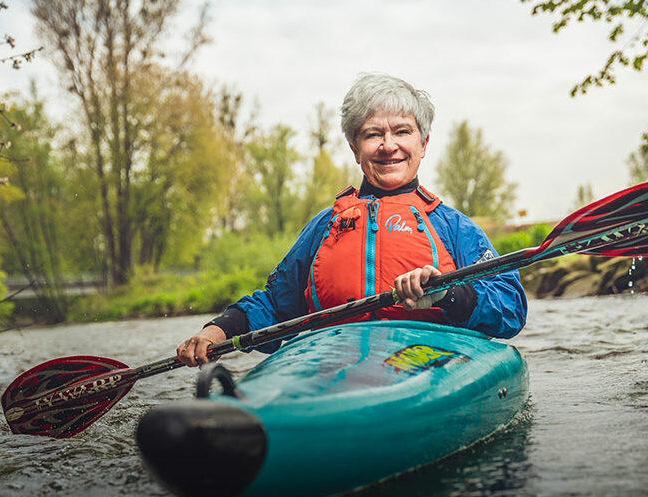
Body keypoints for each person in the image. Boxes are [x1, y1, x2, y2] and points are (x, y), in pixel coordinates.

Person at [177, 73, 527, 366]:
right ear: (354, 146)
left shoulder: (454, 227)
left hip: (430, 357)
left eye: (402, 132)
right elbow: (275, 303)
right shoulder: (324, 226)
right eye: (373, 134)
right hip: (333, 362)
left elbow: (509, 307)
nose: (389, 145)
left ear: (424, 142)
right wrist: (216, 331)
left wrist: (448, 293)